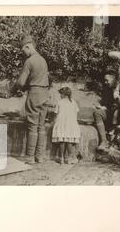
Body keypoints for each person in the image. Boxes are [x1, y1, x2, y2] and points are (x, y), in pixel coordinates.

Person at [12, 35, 50, 164]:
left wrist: (14, 88)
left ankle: (30, 156)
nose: (24, 53)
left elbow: (21, 82)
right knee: (41, 126)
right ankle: (39, 156)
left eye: (24, 50)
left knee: (32, 126)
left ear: (28, 46)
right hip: (45, 94)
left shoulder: (29, 61)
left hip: (35, 94)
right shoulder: (43, 60)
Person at [52, 87, 81, 164]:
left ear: (63, 94)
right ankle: (68, 158)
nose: (60, 96)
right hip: (71, 124)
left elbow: (55, 114)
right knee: (69, 141)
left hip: (61, 123)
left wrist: (54, 122)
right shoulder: (73, 102)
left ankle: (61, 158)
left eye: (60, 94)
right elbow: (76, 113)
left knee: (62, 141)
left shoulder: (59, 102)